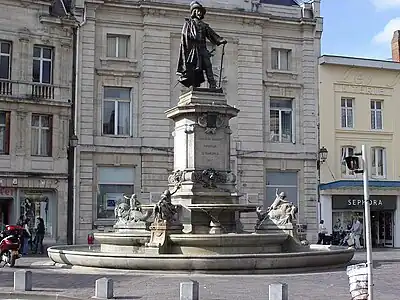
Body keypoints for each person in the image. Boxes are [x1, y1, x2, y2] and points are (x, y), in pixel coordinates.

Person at [176, 1, 227, 89]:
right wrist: (193, 37)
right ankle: (193, 84)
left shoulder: (204, 25)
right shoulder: (188, 23)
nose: (199, 13)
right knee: (193, 67)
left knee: (208, 66)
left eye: (201, 12)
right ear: (194, 12)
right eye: (198, 11)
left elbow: (212, 34)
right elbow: (185, 35)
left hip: (203, 48)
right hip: (193, 49)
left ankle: (212, 85)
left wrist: (220, 40)